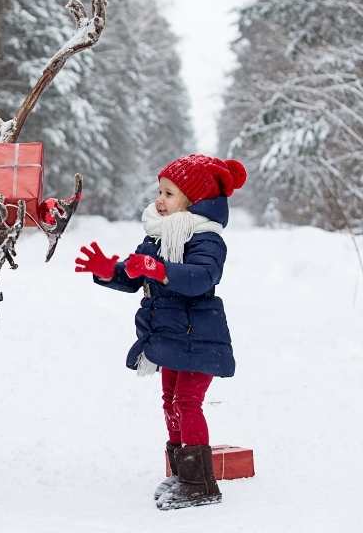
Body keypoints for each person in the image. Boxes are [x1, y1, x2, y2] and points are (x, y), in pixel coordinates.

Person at [75, 154, 247, 510]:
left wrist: (160, 269)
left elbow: (201, 277)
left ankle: (200, 484)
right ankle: (180, 471)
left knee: (187, 401)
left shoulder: (207, 240)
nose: (159, 200)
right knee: (170, 401)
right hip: (169, 334)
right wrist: (109, 270)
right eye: (160, 191)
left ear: (193, 200)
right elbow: (137, 272)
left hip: (200, 336)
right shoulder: (156, 236)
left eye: (169, 193)